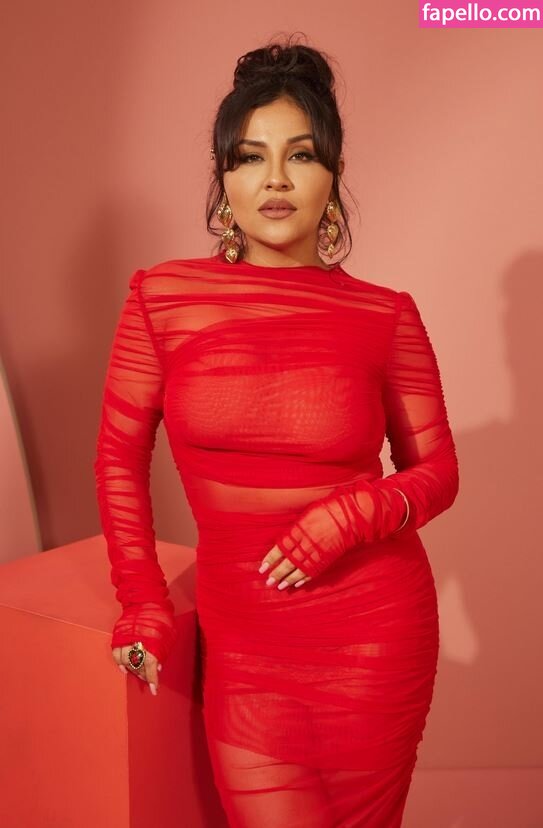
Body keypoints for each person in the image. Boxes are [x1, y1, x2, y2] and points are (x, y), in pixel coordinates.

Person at [94, 35, 460, 828]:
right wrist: (141, 602)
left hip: (372, 638)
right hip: (246, 649)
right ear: (222, 178)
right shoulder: (162, 298)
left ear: (333, 174)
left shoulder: (384, 315)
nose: (275, 180)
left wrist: (349, 516)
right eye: (249, 157)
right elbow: (119, 459)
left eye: (300, 155)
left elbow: (437, 472)